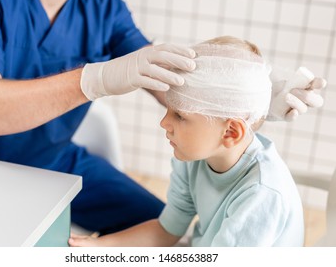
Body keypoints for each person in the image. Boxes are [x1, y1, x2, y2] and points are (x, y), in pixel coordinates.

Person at [0, 0, 325, 235]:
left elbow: (168, 77)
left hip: (53, 159)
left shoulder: (102, 5)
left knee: (158, 229)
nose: (167, 124)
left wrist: (249, 98)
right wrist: (92, 80)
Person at [68, 36, 305, 247]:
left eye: (179, 115)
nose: (164, 123)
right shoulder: (193, 159)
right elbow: (166, 230)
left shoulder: (261, 196)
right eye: (169, 109)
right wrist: (100, 247)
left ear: (231, 132)